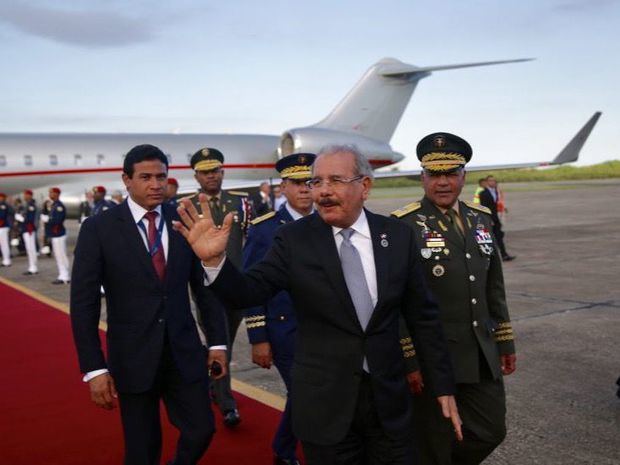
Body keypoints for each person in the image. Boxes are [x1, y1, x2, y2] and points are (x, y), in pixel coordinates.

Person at [175, 145, 462, 465]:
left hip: (388, 404)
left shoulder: (396, 235)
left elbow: (423, 317)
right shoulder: (293, 239)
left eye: (336, 180)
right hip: (326, 407)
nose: (323, 192)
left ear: (364, 186)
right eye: (317, 182)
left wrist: (443, 387)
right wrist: (216, 262)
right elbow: (247, 291)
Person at [70, 144, 228, 465]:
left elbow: (204, 287)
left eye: (161, 176)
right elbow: (83, 304)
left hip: (182, 353)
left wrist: (219, 342)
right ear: (126, 180)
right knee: (143, 451)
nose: (155, 184)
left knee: (202, 430)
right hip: (133, 358)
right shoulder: (99, 228)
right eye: (145, 177)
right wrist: (95, 368)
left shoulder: (184, 221)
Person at [392, 132, 517, 465]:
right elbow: (396, 303)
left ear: (463, 177)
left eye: (451, 173)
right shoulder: (403, 226)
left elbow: (494, 287)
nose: (442, 182)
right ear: (423, 177)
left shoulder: (481, 219)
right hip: (433, 357)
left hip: (480, 350)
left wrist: (504, 343)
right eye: (435, 174)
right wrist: (409, 358)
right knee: (433, 440)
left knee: (491, 430)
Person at [242, 153, 316, 465]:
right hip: (286, 331)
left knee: (319, 396)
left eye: (310, 182)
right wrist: (259, 337)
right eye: (297, 183)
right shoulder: (264, 230)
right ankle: (284, 451)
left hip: (325, 330)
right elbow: (252, 288)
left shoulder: (329, 221)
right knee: (305, 396)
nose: (304, 189)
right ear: (283, 187)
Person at [186, 147, 253, 427]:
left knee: (224, 342)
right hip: (207, 290)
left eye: (215, 171)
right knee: (220, 342)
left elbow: (247, 241)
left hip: (235, 287)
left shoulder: (242, 203)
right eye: (205, 172)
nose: (211, 176)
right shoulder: (186, 206)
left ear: (222, 172)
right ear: (196, 176)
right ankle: (227, 403)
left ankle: (213, 385)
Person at [479, 176, 515, 261]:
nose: (493, 182)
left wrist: (503, 209)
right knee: (488, 239)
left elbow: (498, 203)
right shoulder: (483, 193)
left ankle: (504, 255)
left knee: (499, 237)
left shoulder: (497, 192)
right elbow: (484, 207)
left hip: (497, 218)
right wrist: (488, 219)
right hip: (489, 219)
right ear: (487, 182)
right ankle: (486, 257)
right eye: (490, 181)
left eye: (494, 181)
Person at [44, 187, 71, 284]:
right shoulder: (54, 205)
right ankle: (62, 274)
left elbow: (58, 221)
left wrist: (48, 220)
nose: (50, 194)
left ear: (56, 194)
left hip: (58, 234)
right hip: (55, 234)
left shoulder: (59, 206)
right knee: (58, 255)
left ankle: (65, 276)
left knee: (61, 255)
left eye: (51, 193)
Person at [16, 189, 38, 275]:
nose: (24, 196)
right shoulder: (26, 205)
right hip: (25, 229)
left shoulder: (31, 205)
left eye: (26, 195)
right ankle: (32, 266)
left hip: (29, 229)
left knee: (31, 249)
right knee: (29, 249)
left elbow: (30, 219)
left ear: (30, 195)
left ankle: (33, 267)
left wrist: (20, 218)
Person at [0, 192, 13, 267]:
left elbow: (2, 215)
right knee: (3, 244)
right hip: (2, 226)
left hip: (3, 226)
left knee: (4, 244)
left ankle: (7, 260)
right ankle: (5, 260)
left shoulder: (3, 205)